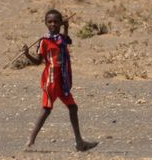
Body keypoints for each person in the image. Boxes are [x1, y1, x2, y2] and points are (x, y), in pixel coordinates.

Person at [23, 9, 98, 152]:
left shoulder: (61, 38)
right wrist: (27, 54)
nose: (53, 24)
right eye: (50, 22)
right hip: (51, 79)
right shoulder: (44, 41)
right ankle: (30, 141)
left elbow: (65, 42)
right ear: (45, 23)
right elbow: (38, 61)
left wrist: (67, 27)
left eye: (56, 22)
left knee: (73, 107)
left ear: (60, 23)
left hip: (62, 80)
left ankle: (79, 142)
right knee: (46, 109)